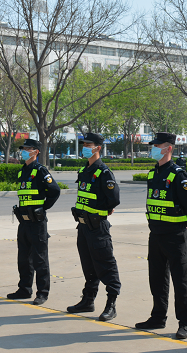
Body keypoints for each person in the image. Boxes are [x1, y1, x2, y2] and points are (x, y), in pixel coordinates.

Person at [135, 133, 187, 340]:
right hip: (156, 235)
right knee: (157, 278)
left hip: (174, 236)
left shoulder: (178, 175)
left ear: (169, 148)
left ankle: (185, 323)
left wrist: (183, 223)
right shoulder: (153, 175)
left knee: (181, 281)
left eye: (157, 145)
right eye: (152, 145)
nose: (153, 148)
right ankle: (158, 316)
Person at [67, 132, 121, 322]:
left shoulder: (103, 172)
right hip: (83, 227)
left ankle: (111, 304)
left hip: (98, 228)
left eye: (88, 145)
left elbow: (114, 199)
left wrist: (105, 210)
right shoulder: (84, 170)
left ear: (98, 148)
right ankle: (88, 300)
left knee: (106, 266)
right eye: (83, 144)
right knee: (88, 266)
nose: (84, 147)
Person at [7, 139, 61, 305]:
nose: (24, 151)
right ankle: (24, 289)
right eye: (23, 149)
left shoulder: (40, 170)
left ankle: (42, 293)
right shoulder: (23, 171)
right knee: (23, 258)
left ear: (36, 152)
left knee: (40, 259)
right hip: (23, 221)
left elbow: (54, 191)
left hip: (37, 222)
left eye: (28, 149)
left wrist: (43, 208)